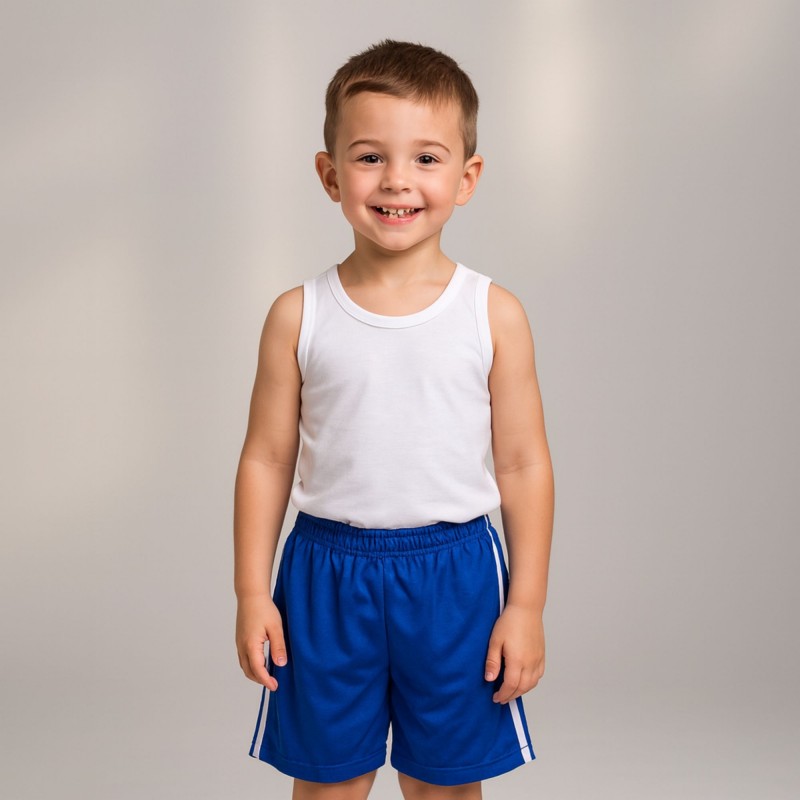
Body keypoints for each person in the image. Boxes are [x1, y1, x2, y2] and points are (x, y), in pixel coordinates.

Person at [234, 39, 554, 800]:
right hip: (325, 576)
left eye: (426, 159)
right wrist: (251, 592)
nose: (397, 180)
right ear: (330, 174)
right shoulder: (297, 315)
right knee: (328, 783)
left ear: (467, 177)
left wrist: (526, 605)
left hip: (454, 578)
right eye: (370, 157)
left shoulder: (494, 314)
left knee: (444, 785)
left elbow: (523, 465)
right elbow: (266, 460)